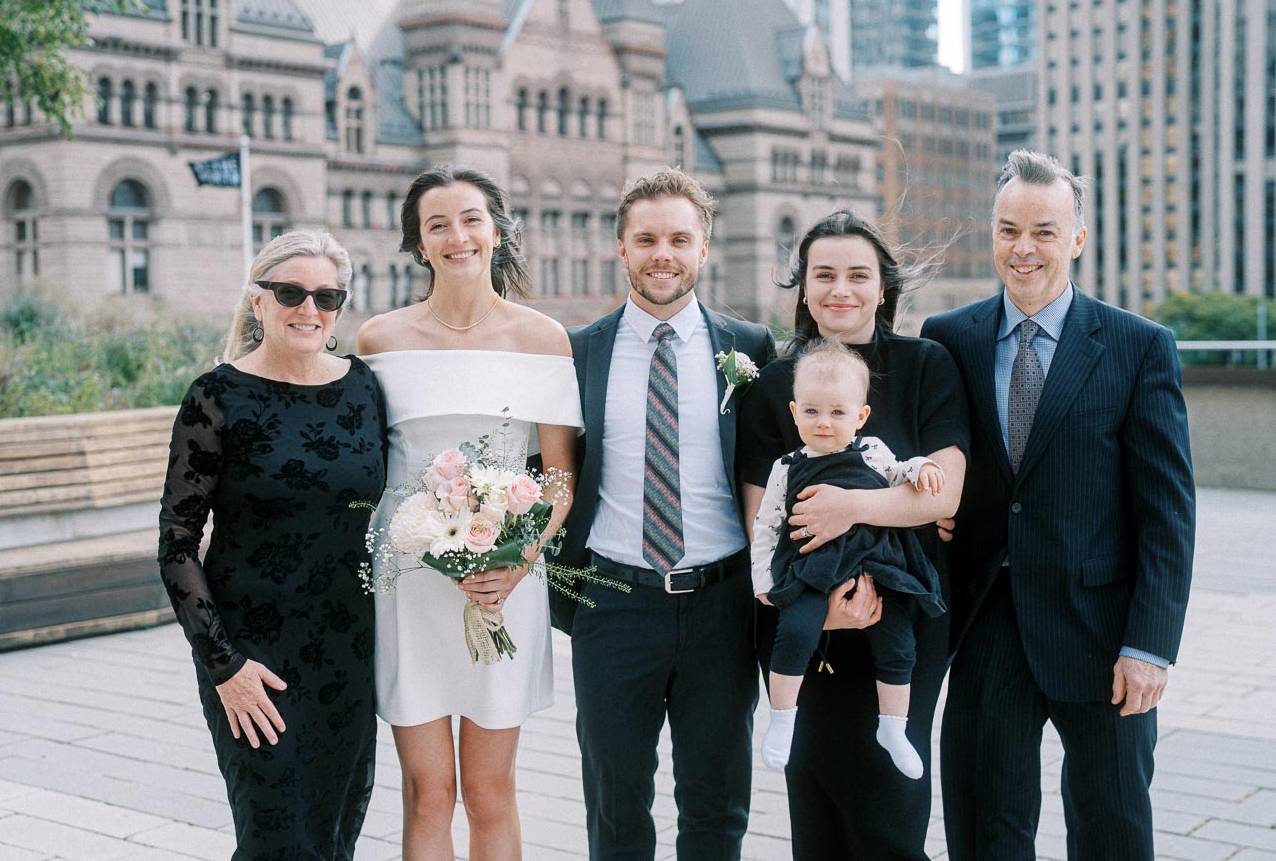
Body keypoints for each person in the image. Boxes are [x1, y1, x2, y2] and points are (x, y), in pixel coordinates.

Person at [921, 149, 1195, 860]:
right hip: (988, 621)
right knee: (985, 826)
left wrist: (1150, 644)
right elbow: (929, 456)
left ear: (1077, 238)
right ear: (991, 233)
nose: (1024, 248)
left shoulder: (1140, 347)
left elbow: (1168, 512)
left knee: (1113, 825)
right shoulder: (948, 339)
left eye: (1044, 230)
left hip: (1104, 630)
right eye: (1009, 229)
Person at [547, 168, 774, 860]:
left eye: (680, 238)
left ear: (704, 248)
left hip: (722, 605)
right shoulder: (578, 351)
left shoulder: (752, 348)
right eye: (646, 239)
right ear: (621, 247)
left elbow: (777, 466)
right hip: (614, 605)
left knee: (716, 803)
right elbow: (556, 474)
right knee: (616, 807)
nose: (662, 253)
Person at [357, 165, 581, 860]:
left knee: (490, 791)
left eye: (471, 219)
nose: (458, 236)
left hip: (503, 585)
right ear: (418, 244)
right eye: (438, 224)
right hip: (407, 584)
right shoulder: (378, 340)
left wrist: (518, 559)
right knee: (428, 791)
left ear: (497, 231)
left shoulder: (544, 339)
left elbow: (559, 479)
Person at [737, 209, 968, 860]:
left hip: (902, 613)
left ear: (884, 287)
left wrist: (847, 506)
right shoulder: (776, 386)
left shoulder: (928, 366)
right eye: (824, 274)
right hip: (803, 622)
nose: (842, 289)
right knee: (817, 817)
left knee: (890, 817)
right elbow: (764, 517)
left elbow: (942, 492)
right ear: (803, 287)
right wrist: (815, 609)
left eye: (858, 275)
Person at [156, 230, 386, 859]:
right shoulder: (216, 396)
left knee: (333, 836)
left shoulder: (363, 388)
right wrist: (223, 666)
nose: (309, 309)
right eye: (290, 293)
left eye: (327, 297)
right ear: (257, 302)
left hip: (347, 651)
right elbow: (177, 543)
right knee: (275, 840)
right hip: (252, 656)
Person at [751, 338, 946, 777]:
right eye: (813, 411)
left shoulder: (872, 451)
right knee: (796, 631)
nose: (825, 423)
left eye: (838, 413)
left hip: (875, 562)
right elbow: (766, 524)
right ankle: (782, 718)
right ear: (795, 412)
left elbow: (900, 472)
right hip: (813, 565)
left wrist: (922, 468)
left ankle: (894, 726)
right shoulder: (786, 466)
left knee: (898, 640)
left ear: (860, 417)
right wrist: (763, 582)